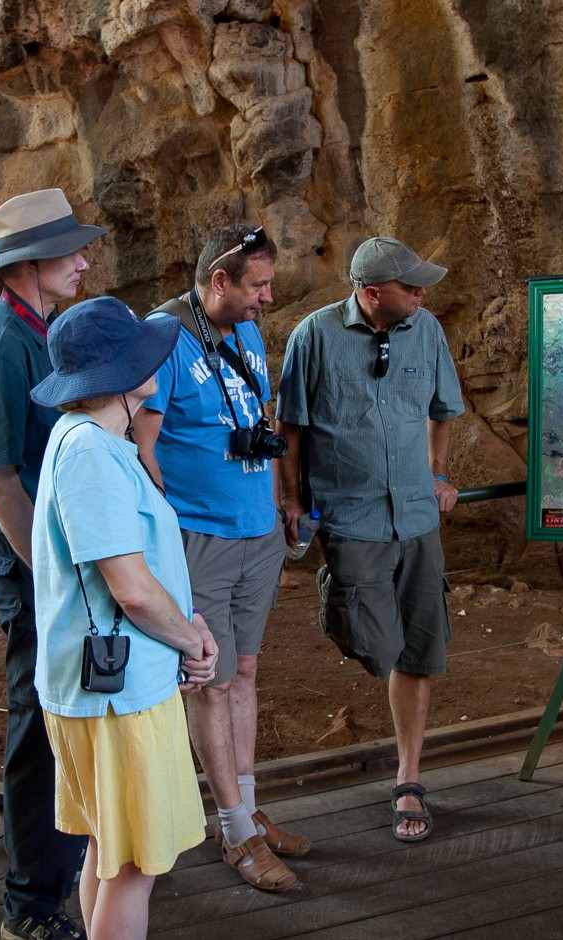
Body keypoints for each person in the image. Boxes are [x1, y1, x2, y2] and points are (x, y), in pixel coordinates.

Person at [30, 296, 218, 940]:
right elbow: (132, 590)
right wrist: (191, 639)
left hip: (112, 682)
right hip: (117, 692)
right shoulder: (92, 452)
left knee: (109, 853)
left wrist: (189, 621)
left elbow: (148, 576)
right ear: (120, 376)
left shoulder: (91, 440)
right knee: (134, 865)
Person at [132, 225, 303, 891]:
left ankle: (250, 814)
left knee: (247, 671)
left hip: (255, 530)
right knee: (213, 677)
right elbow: (144, 449)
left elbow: (256, 414)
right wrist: (164, 540)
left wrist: (279, 502)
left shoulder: (246, 332)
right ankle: (233, 831)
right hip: (198, 537)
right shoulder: (164, 338)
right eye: (256, 285)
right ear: (219, 281)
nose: (267, 296)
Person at [275, 236, 463, 842]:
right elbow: (291, 427)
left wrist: (437, 475)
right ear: (372, 291)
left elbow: (442, 409)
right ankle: (339, 600)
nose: (423, 293)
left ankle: (409, 777)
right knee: (371, 640)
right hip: (351, 517)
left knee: (417, 650)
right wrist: (292, 499)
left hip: (415, 517)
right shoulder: (314, 335)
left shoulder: (426, 328)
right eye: (412, 286)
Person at [0, 188, 102, 940]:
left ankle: (65, 874)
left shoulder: (42, 329)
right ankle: (29, 904)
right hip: (37, 577)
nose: (84, 260)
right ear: (32, 263)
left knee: (64, 717)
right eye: (72, 250)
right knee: (38, 727)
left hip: (63, 568)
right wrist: (51, 577)